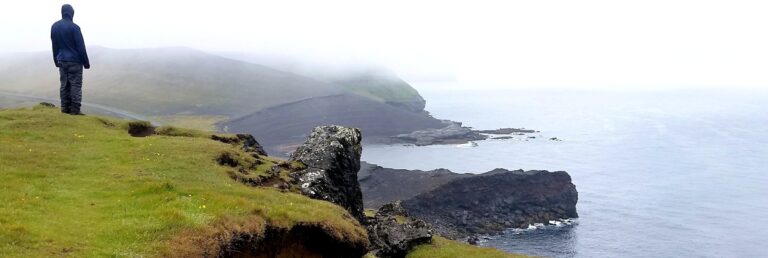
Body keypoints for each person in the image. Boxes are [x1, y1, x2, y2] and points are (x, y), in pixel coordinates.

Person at [51, 4, 90, 115]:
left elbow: (54, 45)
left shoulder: (54, 26)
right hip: (75, 61)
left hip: (61, 60)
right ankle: (75, 111)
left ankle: (64, 109)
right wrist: (86, 63)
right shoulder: (75, 28)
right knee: (75, 85)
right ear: (71, 13)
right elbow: (81, 47)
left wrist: (55, 60)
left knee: (64, 85)